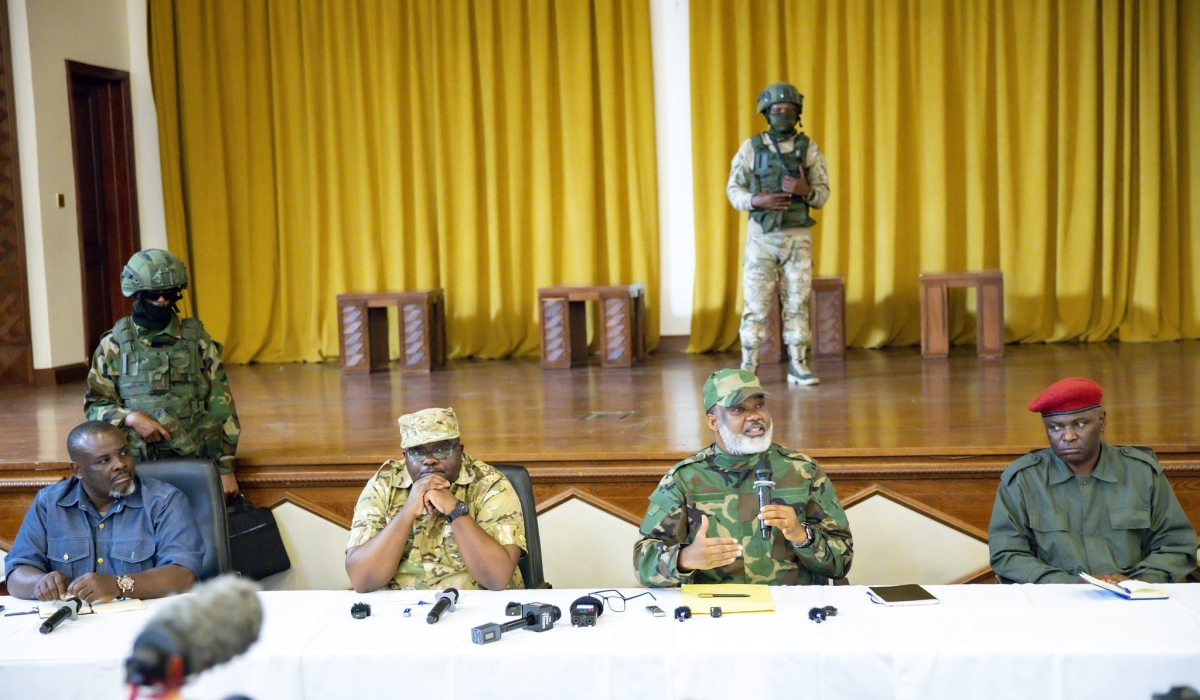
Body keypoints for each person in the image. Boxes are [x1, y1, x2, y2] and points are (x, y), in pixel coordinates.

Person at [634, 369, 852, 586]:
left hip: (789, 608)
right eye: (738, 409)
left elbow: (842, 561)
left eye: (759, 405)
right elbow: (643, 562)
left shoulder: (803, 471)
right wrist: (685, 558)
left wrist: (802, 536)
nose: (755, 415)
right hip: (716, 610)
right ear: (713, 422)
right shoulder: (685, 479)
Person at [989, 378, 1197, 584]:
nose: (1068, 436)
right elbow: (1007, 554)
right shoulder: (1024, 480)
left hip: (1132, 600)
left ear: (1101, 421)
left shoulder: (1141, 473)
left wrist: (1137, 581)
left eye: (1079, 424)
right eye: (1055, 427)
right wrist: (1070, 584)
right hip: (1055, 602)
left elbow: (1176, 544)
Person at [85, 249, 241, 500]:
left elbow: (221, 405)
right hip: (135, 469)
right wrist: (130, 417)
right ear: (136, 294)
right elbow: (95, 407)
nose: (160, 301)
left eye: (168, 294)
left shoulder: (197, 340)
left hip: (193, 464)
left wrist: (225, 467)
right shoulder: (114, 344)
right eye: (152, 294)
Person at [4, 421, 203, 602]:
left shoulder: (164, 501)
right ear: (78, 470)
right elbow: (17, 572)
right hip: (73, 625)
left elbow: (183, 575)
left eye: (124, 453)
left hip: (143, 626)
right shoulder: (50, 503)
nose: (120, 464)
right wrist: (40, 583)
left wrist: (118, 585)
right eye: (104, 460)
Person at [345, 407, 526, 592]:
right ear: (405, 457)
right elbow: (362, 580)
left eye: (441, 450)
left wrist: (454, 509)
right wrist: (407, 513)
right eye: (417, 452)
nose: (429, 460)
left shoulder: (489, 484)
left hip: (478, 607)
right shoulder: (382, 487)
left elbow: (497, 578)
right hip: (400, 610)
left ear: (460, 451)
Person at [727, 82, 831, 386]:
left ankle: (798, 364)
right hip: (761, 238)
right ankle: (748, 367)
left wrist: (805, 190)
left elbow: (823, 195)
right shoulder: (751, 147)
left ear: (797, 113)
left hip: (797, 238)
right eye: (776, 110)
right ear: (766, 114)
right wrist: (756, 200)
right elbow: (733, 190)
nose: (782, 114)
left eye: (788, 110)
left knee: (797, 301)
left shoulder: (808, 147)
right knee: (756, 304)